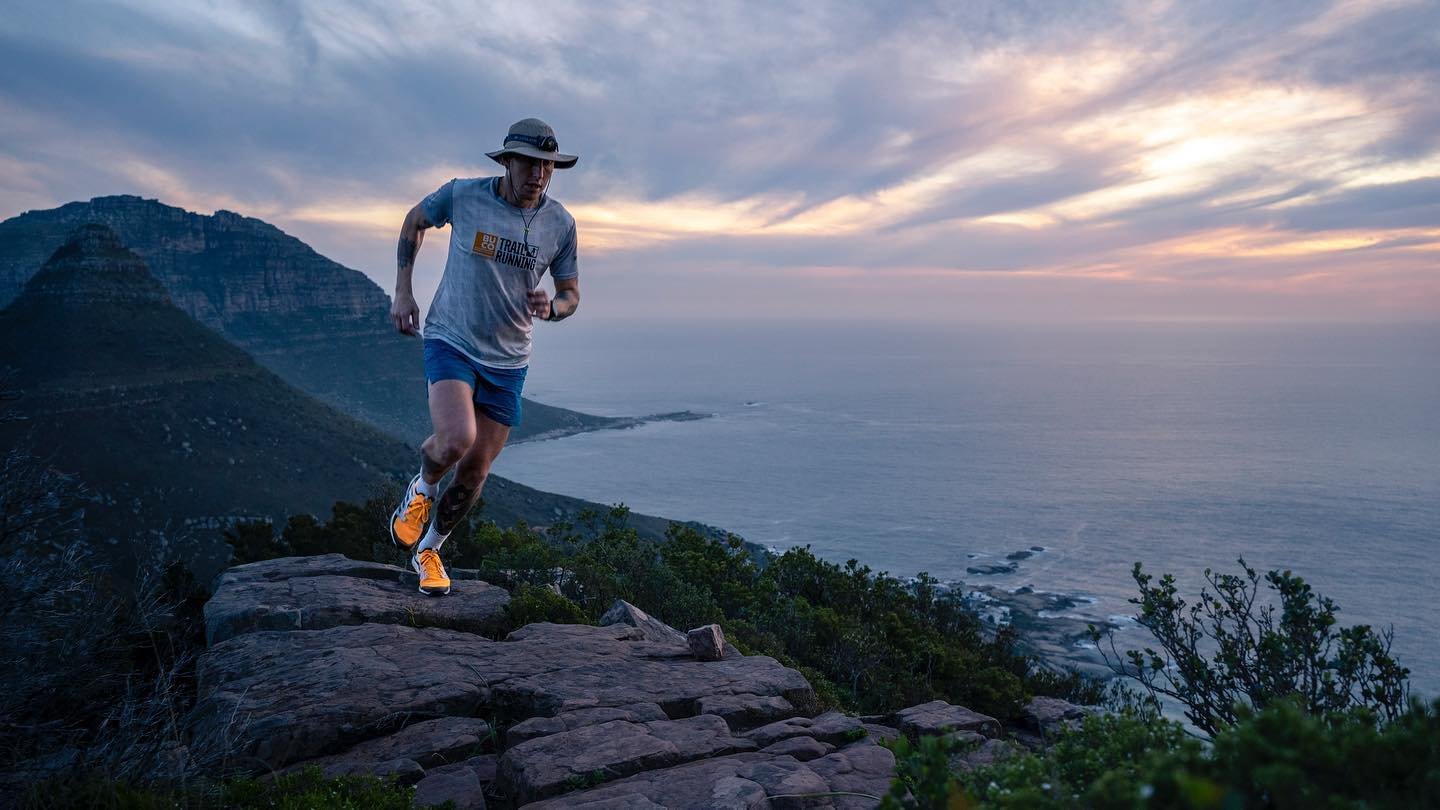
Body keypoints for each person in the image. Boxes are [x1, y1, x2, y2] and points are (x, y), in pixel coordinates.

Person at [388, 118, 580, 596]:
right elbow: (415, 220)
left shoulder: (561, 224)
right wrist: (402, 294)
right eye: (529, 163)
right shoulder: (462, 195)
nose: (539, 173)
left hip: (510, 361)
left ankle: (429, 550)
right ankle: (421, 489)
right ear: (507, 161)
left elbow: (571, 292)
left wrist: (553, 309)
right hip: (452, 338)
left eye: (548, 165)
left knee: (475, 472)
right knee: (456, 440)